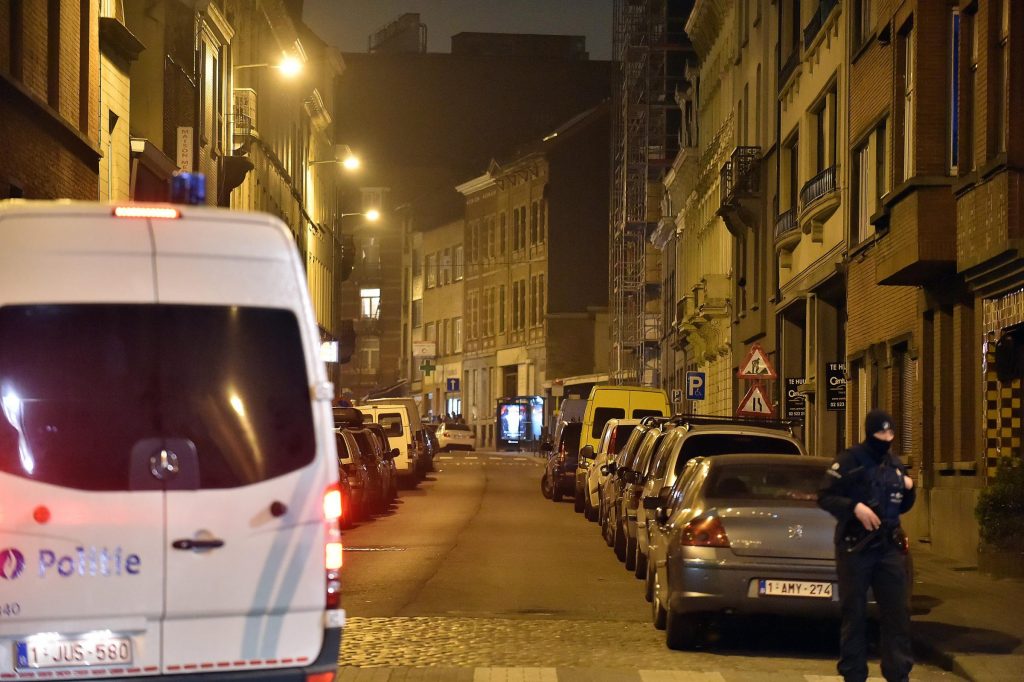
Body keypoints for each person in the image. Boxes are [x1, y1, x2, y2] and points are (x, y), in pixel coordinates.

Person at [818, 409, 916, 682]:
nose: (886, 438)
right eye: (881, 432)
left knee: (897, 614)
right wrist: (854, 507)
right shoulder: (849, 460)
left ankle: (898, 674)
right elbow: (825, 496)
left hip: (888, 547)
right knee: (855, 614)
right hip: (856, 547)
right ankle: (854, 674)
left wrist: (910, 489)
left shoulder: (895, 464)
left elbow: (902, 505)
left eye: (890, 432)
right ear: (870, 432)